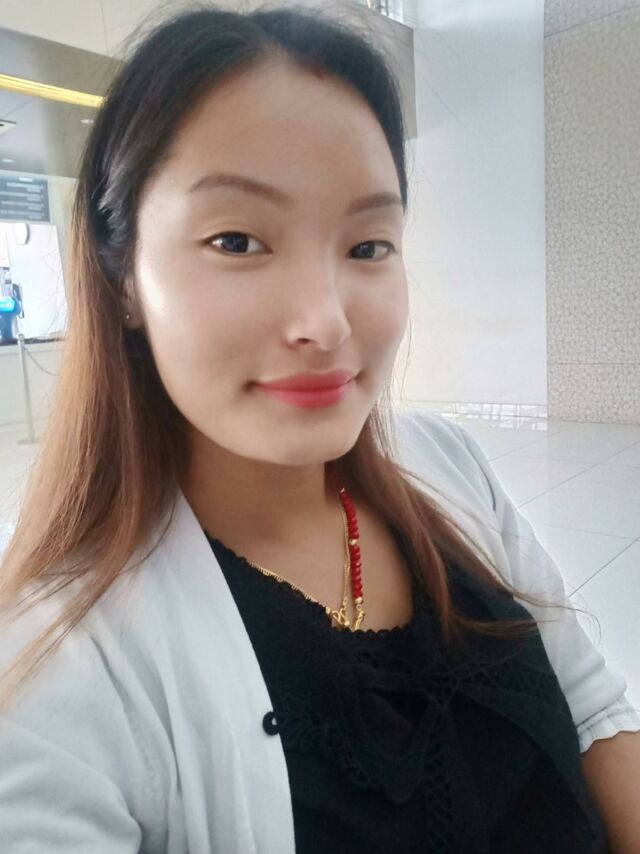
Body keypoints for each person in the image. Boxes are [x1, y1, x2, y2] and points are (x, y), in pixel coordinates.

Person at [0, 4, 638, 852]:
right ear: (122, 280)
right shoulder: (57, 664)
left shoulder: (447, 463)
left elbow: (596, 715)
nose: (326, 321)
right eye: (237, 240)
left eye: (368, 246)